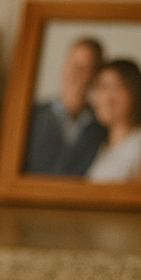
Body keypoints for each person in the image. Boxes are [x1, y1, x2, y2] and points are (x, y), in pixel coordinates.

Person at [24, 36, 107, 176]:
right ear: (64, 67)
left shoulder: (103, 127)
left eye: (85, 68)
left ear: (96, 75)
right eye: (74, 65)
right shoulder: (31, 115)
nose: (76, 74)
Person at [84, 58, 141, 183]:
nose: (104, 97)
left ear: (135, 92)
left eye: (115, 87)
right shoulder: (99, 147)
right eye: (100, 88)